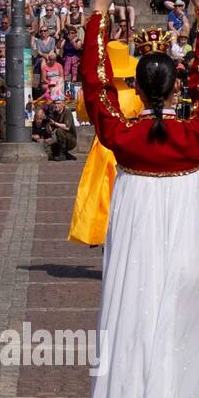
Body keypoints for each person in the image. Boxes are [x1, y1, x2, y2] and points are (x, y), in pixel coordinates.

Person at [75, 0, 199, 398]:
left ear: (136, 88)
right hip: (185, 243)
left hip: (136, 239)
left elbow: (94, 86)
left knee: (131, 333)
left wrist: (97, 13)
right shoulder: (196, 132)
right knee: (180, 337)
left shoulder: (122, 133)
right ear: (177, 85)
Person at [68, 41, 141, 247]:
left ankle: (99, 232)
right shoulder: (135, 94)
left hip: (102, 146)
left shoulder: (97, 94)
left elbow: (83, 115)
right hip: (128, 144)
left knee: (101, 193)